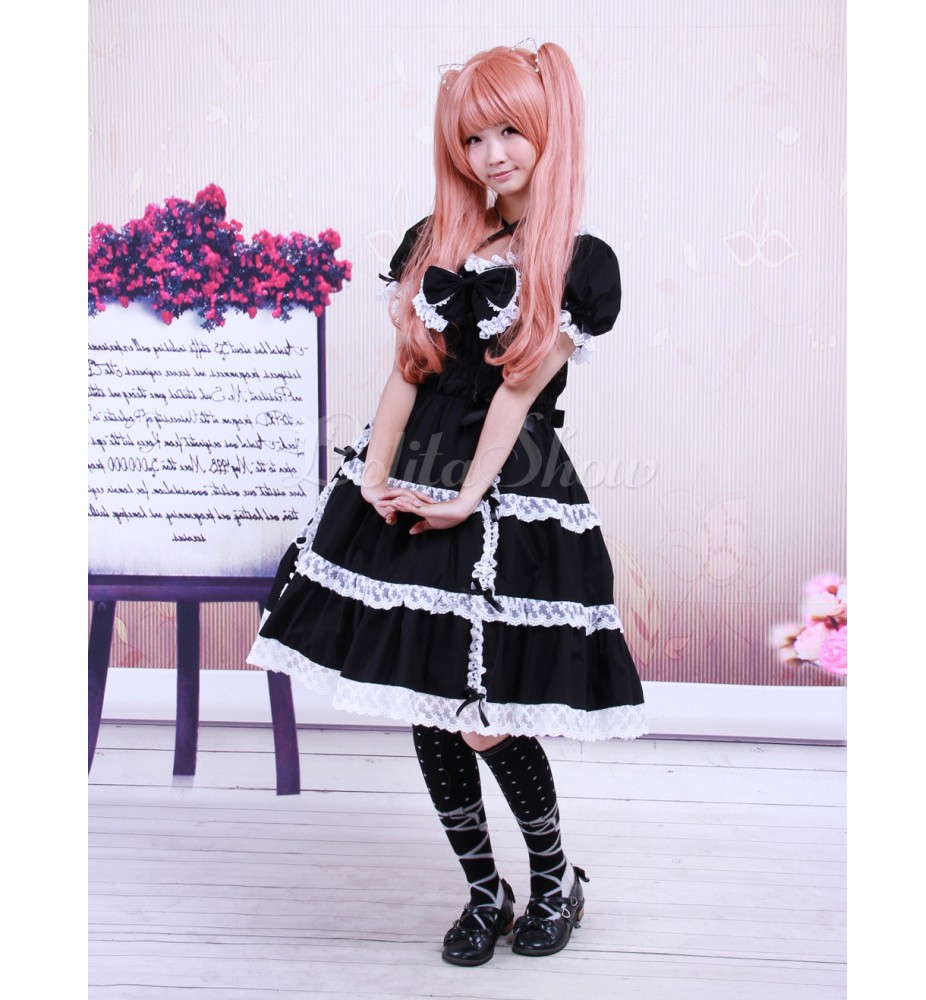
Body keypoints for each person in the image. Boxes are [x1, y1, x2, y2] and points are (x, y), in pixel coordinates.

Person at [248, 41, 647, 966]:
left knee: (487, 713)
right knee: (429, 703)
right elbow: (407, 373)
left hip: (509, 484)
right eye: (472, 138)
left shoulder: (578, 261)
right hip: (418, 466)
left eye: (510, 131)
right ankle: (482, 890)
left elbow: (516, 394)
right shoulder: (435, 241)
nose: (491, 154)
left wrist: (469, 496)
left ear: (548, 132)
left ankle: (556, 880)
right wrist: (371, 477)